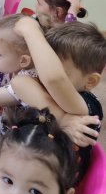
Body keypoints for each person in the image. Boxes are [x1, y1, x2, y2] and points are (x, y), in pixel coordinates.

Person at [10, 16, 105, 183]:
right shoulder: (46, 89)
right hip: (23, 165)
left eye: (57, 69)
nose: (43, 74)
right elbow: (19, 83)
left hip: (47, 187)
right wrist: (61, 118)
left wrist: (31, 30)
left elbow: (53, 79)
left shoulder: (87, 107)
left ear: (90, 81)